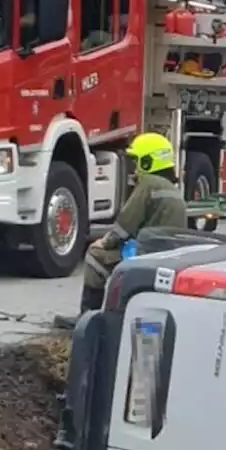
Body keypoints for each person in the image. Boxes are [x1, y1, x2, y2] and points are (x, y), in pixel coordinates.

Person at [71, 132, 188, 320]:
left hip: (147, 253)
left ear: (148, 162)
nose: (134, 168)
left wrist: (106, 242)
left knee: (95, 257)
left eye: (137, 161)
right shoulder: (172, 189)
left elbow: (127, 223)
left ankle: (87, 318)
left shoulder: (149, 183)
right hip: (167, 255)